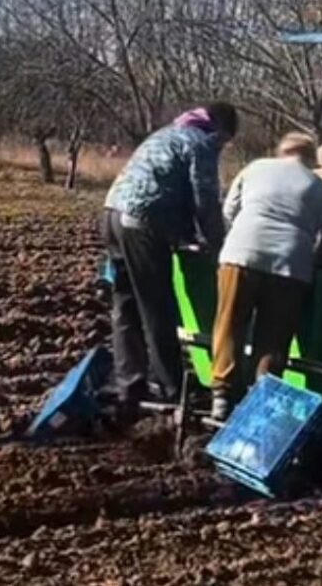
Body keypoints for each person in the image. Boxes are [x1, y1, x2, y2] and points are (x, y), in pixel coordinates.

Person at [102, 102, 238, 419]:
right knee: (158, 307)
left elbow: (165, 185)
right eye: (226, 141)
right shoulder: (202, 143)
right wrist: (218, 245)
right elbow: (204, 199)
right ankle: (170, 389)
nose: (221, 147)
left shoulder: (167, 134)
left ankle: (130, 383)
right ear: (220, 130)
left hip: (111, 214)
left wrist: (182, 235)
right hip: (142, 222)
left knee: (125, 305)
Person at [210, 132, 322, 421]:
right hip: (291, 266)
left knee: (229, 325)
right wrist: (317, 261)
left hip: (241, 255)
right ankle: (260, 403)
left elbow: (228, 211)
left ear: (280, 152)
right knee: (273, 339)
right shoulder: (320, 187)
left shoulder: (255, 168)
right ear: (311, 159)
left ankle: (221, 397)